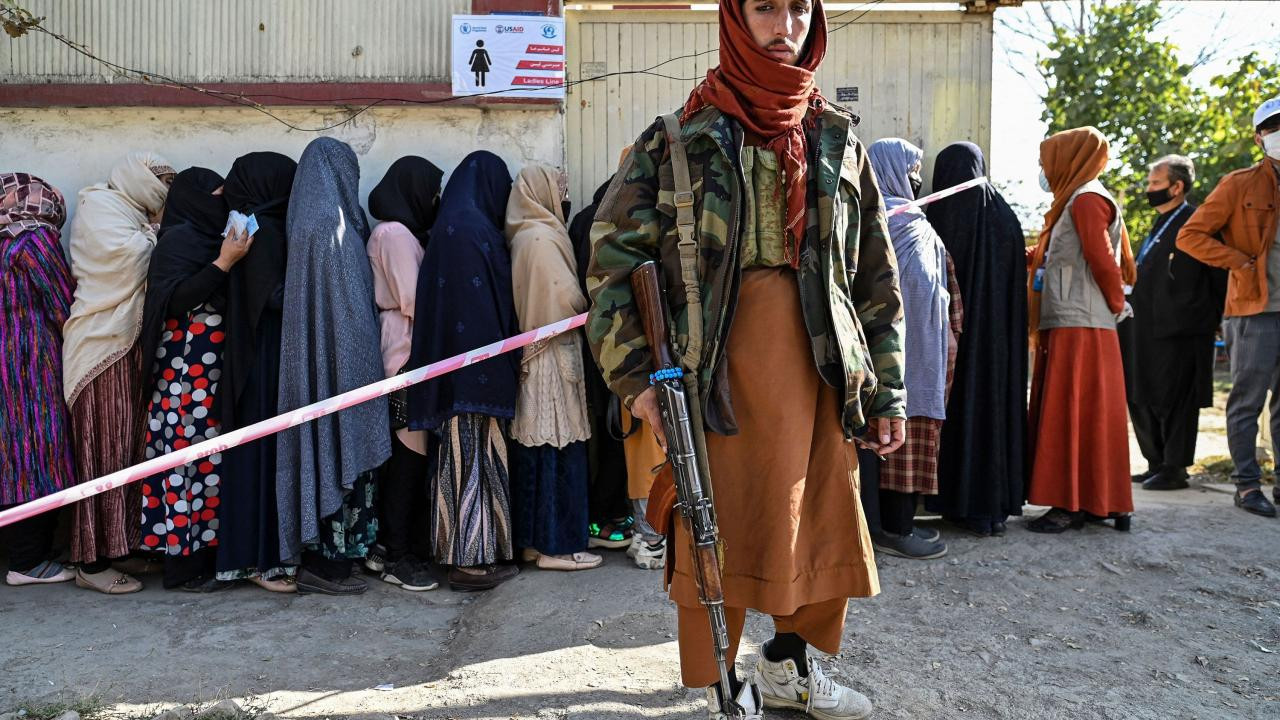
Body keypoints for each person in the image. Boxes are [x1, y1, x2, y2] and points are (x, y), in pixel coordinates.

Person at [587, 2, 903, 718]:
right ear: (735, 17)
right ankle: (722, 684)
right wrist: (637, 382)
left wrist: (887, 390)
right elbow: (611, 265)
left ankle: (787, 667)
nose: (784, 23)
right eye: (765, 6)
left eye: (799, 8)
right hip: (713, 379)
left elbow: (875, 275)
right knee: (714, 529)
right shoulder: (678, 140)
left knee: (816, 526)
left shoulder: (835, 139)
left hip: (820, 375)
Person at [277, 137, 390, 595]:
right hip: (339, 369)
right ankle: (326, 565)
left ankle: (341, 556)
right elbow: (343, 310)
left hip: (334, 368)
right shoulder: (328, 225)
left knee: (335, 448)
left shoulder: (315, 220)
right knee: (336, 447)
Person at [408, 150, 521, 593]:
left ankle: (461, 553)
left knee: (458, 461)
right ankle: (471, 563)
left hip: (452, 370)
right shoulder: (474, 231)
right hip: (476, 370)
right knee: (473, 461)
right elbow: (488, 303)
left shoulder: (448, 228)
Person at [62, 151, 174, 594]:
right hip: (100, 346)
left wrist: (153, 230)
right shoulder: (98, 205)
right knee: (101, 455)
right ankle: (90, 563)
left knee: (127, 450)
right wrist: (158, 234)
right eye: (161, 182)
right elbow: (125, 261)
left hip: (128, 348)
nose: (164, 192)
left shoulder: (132, 214)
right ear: (137, 179)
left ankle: (120, 545)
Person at [1025, 126, 1135, 533]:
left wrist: (1117, 303)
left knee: (1070, 412)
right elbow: (1056, 253)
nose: (1044, 169)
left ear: (1069, 159)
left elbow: (1102, 259)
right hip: (1074, 320)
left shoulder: (1086, 199)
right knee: (1087, 414)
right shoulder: (1075, 199)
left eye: (1047, 161)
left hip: (1081, 324)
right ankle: (1097, 501)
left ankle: (1070, 504)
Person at [1176, 96, 1280, 518]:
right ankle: (1247, 484)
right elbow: (1190, 236)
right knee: (1246, 401)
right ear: (1259, 138)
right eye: (1273, 128)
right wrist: (1238, 261)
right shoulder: (1239, 184)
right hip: (1254, 309)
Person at [137, 167, 240, 591]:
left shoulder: (209, 238)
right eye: (216, 196)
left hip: (205, 375)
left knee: (207, 463)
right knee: (184, 463)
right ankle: (182, 566)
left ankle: (202, 556)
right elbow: (175, 300)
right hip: (183, 376)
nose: (223, 204)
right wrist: (223, 263)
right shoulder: (177, 242)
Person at [926, 142, 1027, 537]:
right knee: (994, 413)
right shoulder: (1006, 217)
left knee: (960, 414)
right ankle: (993, 508)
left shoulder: (946, 214)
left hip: (956, 344)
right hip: (1000, 349)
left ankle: (959, 503)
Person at [506, 165, 603, 573]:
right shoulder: (542, 238)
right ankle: (559, 546)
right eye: (558, 189)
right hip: (552, 357)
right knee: (560, 451)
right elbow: (564, 298)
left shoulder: (524, 233)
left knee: (536, 450)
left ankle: (534, 542)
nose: (563, 197)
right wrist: (594, 304)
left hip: (535, 356)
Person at [863, 138, 956, 560]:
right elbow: (918, 286)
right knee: (897, 435)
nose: (917, 178)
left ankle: (881, 527)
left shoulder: (869, 216)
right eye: (912, 169)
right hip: (903, 352)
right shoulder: (903, 222)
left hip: (878, 353)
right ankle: (894, 530)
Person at [214, 152, 299, 592]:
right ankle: (258, 560)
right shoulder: (264, 231)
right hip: (265, 361)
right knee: (262, 458)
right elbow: (274, 298)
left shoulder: (248, 226)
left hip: (253, 358)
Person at [364, 155, 445, 592]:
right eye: (431, 193)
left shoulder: (398, 233)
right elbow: (414, 299)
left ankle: (392, 547)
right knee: (409, 456)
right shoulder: (393, 234)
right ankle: (397, 555)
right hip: (404, 352)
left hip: (405, 347)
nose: (434, 201)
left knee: (407, 455)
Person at [1120, 155, 1225, 492]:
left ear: (1177, 187)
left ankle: (1175, 467)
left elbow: (1217, 274)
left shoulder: (1197, 221)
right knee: (1142, 393)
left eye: (1155, 183)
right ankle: (1155, 462)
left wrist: (1211, 317)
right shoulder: (1159, 223)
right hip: (1144, 326)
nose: (1148, 189)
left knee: (1175, 397)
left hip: (1182, 328)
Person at [0, 174, 78, 587]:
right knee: (36, 456)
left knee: (11, 457)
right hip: (29, 365)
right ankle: (28, 561)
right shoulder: (35, 241)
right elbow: (62, 303)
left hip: (7, 364)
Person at [568, 177, 636, 552]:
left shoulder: (583, 219)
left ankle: (605, 512)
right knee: (620, 433)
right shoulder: (618, 221)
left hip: (590, 343)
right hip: (621, 343)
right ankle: (610, 514)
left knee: (603, 432)